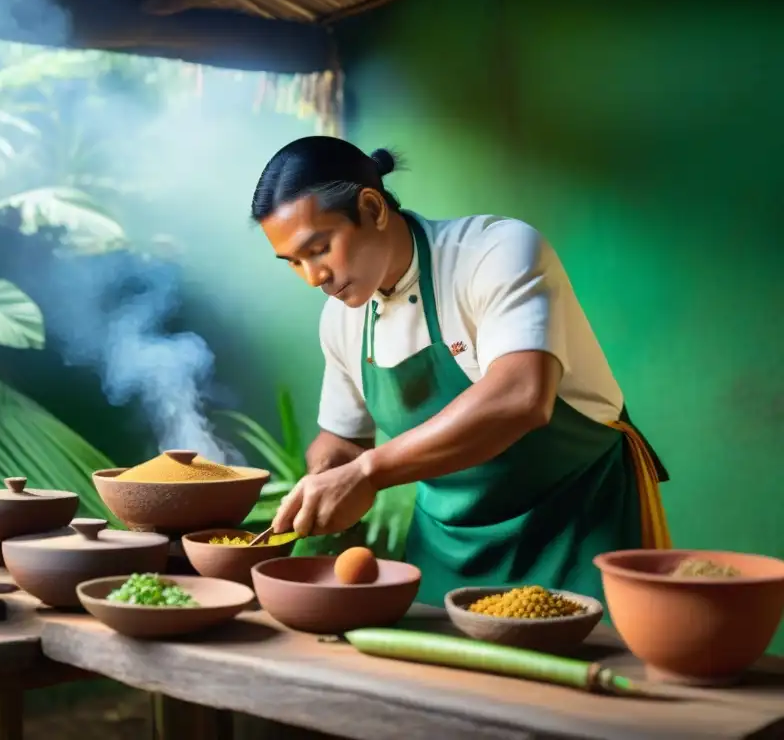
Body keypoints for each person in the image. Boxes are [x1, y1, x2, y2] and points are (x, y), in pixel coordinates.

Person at [251, 135, 671, 604]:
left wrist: (367, 473)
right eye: (293, 263)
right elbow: (345, 439)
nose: (313, 278)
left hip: (580, 521)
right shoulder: (341, 318)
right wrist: (324, 477)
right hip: (448, 546)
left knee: (592, 672)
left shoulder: (496, 253)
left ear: (371, 208)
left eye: (320, 248)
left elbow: (519, 397)